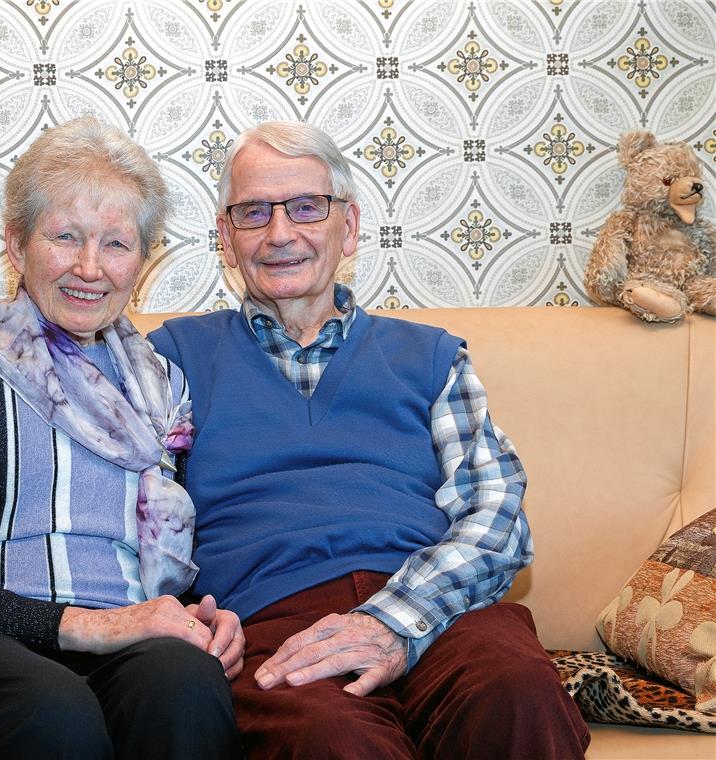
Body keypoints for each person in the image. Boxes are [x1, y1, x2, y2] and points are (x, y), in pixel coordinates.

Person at [148, 121, 591, 759]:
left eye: (306, 207)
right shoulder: (173, 361)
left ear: (348, 227)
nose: (280, 234)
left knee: (516, 692)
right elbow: (140, 509)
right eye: (252, 213)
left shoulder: (432, 357)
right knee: (331, 740)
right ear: (225, 237)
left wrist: (391, 620)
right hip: (275, 624)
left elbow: (497, 515)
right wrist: (176, 610)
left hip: (444, 610)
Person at [0, 116, 245, 760]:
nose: (90, 267)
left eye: (116, 244)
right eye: (65, 237)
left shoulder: (163, 384)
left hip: (120, 640)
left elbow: (167, 550)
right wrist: (87, 628)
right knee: (52, 710)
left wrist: (199, 614)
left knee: (187, 687)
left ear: (143, 260)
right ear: (17, 244)